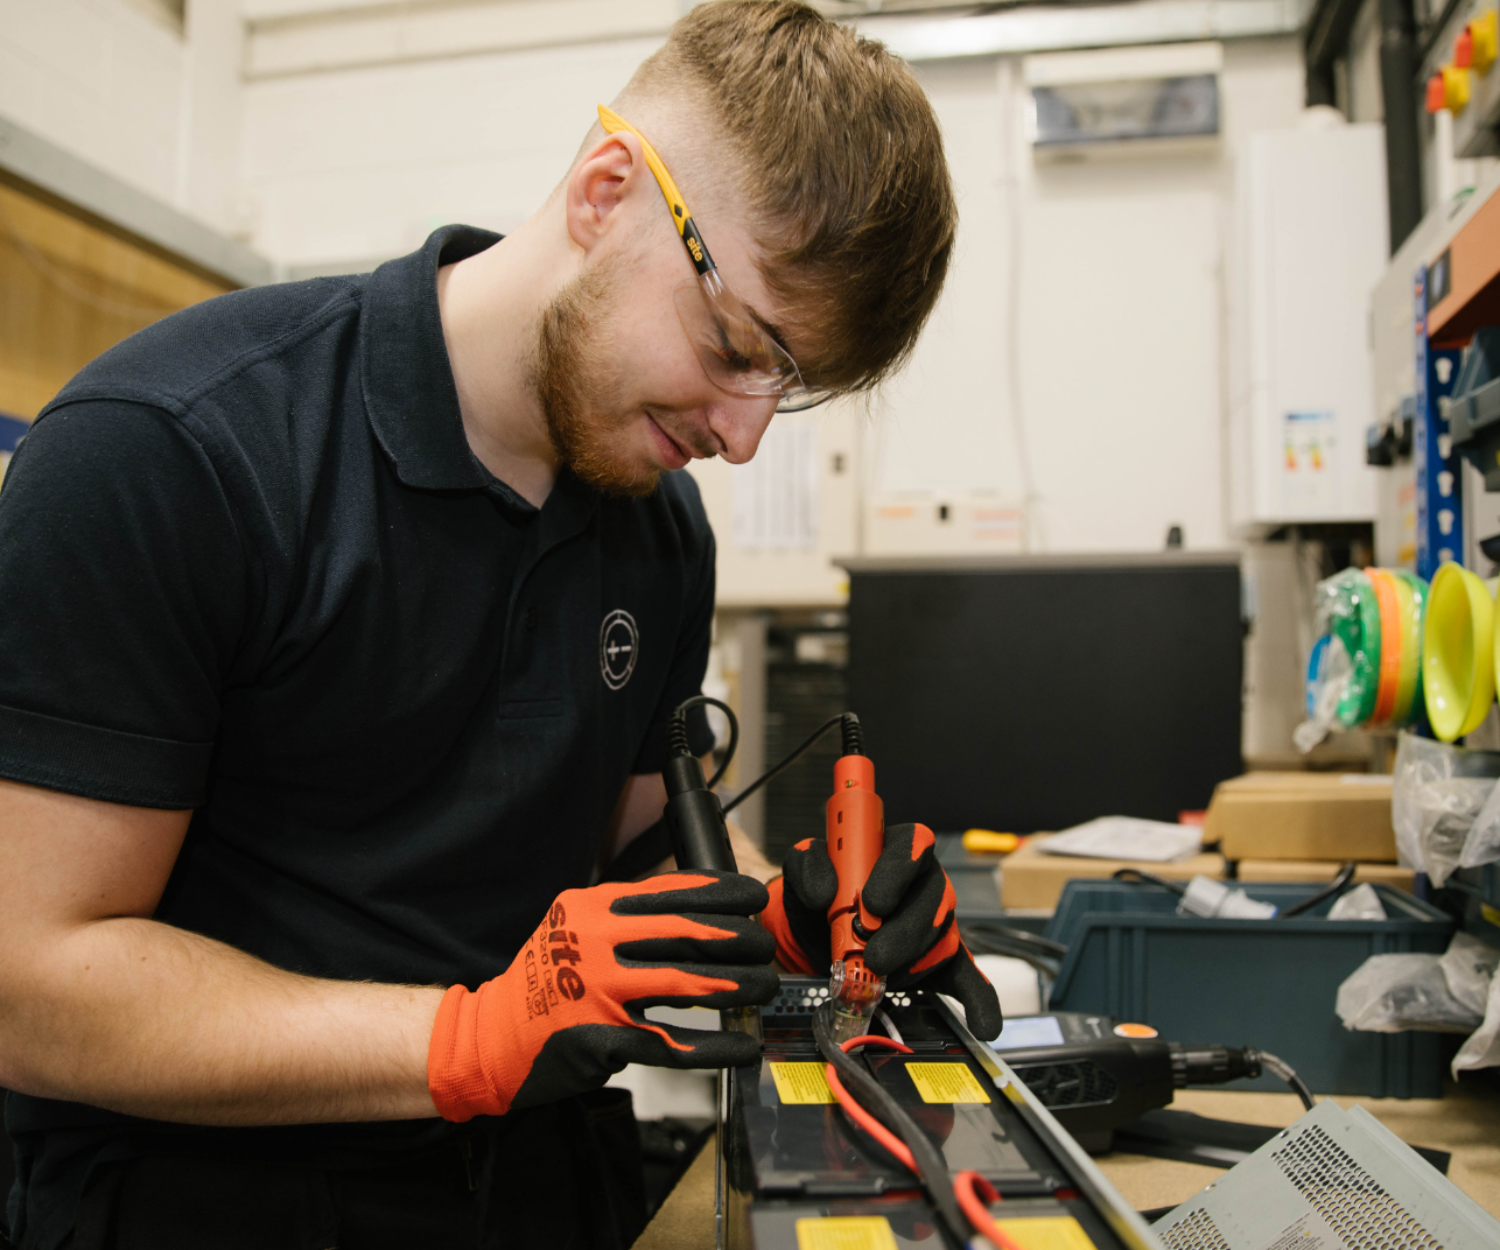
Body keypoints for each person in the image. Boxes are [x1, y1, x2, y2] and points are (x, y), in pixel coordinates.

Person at [0, 3, 998, 1246]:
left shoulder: (658, 527)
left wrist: (788, 929)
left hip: (546, 1191)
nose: (743, 436)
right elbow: (29, 983)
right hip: (213, 1203)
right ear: (606, 189)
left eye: (784, 391)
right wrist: (468, 1035)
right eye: (741, 347)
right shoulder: (175, 453)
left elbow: (633, 865)